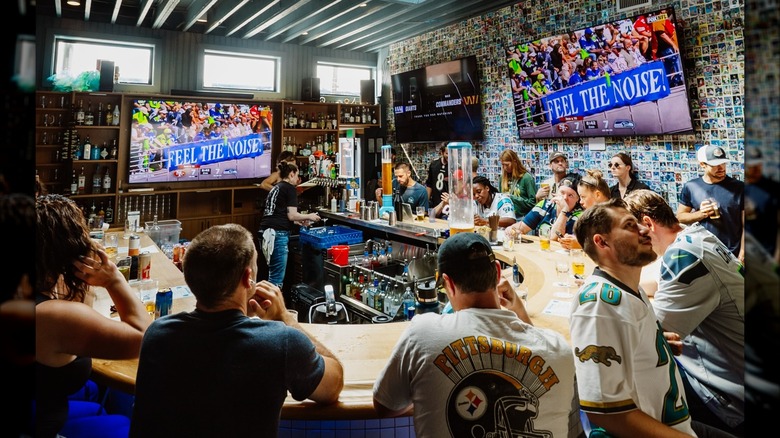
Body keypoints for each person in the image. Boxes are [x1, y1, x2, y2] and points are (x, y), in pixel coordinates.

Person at [130, 224, 344, 437]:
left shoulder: (157, 334)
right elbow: (333, 386)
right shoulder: (281, 342)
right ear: (247, 277)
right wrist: (284, 317)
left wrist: (245, 315)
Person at [373, 232, 583, 438]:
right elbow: (534, 341)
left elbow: (385, 406)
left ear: (449, 283)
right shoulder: (559, 350)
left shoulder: (421, 333)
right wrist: (520, 311)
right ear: (498, 273)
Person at [570, 198, 722, 437]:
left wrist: (651, 344)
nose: (644, 229)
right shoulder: (598, 302)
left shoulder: (632, 289)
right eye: (630, 225)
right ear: (602, 241)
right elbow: (604, 411)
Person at [624, 189, 745, 436]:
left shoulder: (684, 257)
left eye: (629, 232)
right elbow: (659, 284)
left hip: (727, 397)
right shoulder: (696, 238)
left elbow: (651, 336)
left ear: (647, 223)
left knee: (631, 376)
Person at [35, 194, 152, 438]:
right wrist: (114, 279)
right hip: (41, 425)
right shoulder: (54, 316)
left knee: (106, 392)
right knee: (123, 423)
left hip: (38, 401)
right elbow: (146, 338)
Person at [677, 145, 744, 261]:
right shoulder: (691, 186)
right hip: (703, 253)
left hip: (733, 254)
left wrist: (743, 254)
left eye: (723, 163)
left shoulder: (740, 187)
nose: (721, 168)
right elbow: (680, 217)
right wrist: (701, 214)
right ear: (702, 164)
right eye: (715, 165)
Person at [259, 162, 320, 289]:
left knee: (272, 274)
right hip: (277, 235)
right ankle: (272, 308)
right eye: (297, 176)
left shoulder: (277, 187)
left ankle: (269, 306)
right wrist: (309, 216)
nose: (298, 180)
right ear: (291, 174)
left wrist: (298, 220)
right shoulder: (290, 188)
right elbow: (292, 215)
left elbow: (280, 213)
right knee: (276, 280)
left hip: (265, 232)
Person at [508, 174, 583, 241]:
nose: (565, 198)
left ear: (578, 199)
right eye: (562, 192)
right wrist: (512, 230)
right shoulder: (545, 205)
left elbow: (554, 238)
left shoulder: (581, 215)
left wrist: (564, 211)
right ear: (556, 192)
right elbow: (522, 227)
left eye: (571, 195)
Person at [559, 169, 611, 250]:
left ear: (597, 195)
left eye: (583, 197)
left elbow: (611, 248)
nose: (581, 202)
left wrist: (581, 244)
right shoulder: (593, 216)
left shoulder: (613, 216)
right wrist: (572, 240)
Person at [744, 148, 780, 264]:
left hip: (768, 253)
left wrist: (777, 257)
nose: (756, 168)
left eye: (758, 164)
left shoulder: (774, 189)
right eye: (752, 165)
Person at [498, 149, 537, 218]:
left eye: (507, 165)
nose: (504, 168)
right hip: (506, 218)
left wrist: (512, 198)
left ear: (514, 162)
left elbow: (532, 203)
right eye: (503, 165)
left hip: (523, 218)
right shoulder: (502, 178)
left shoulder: (526, 178)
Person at [425, 143, 448, 215]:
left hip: (448, 204)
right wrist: (426, 203)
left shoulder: (455, 167)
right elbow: (429, 185)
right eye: (447, 153)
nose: (449, 156)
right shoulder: (434, 165)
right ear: (442, 153)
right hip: (435, 202)